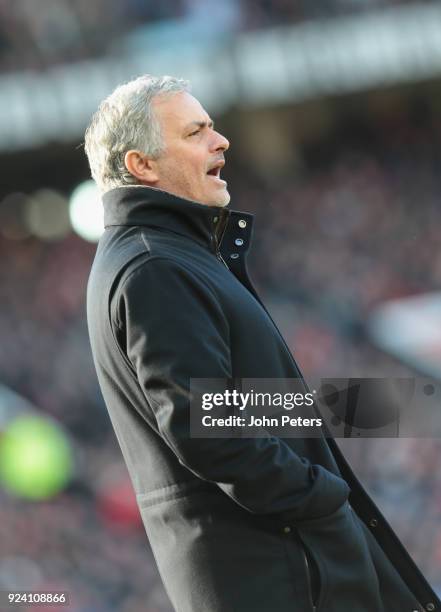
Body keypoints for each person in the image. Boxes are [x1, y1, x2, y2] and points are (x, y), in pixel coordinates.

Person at [85, 75, 439, 612]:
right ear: (142, 165)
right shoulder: (154, 267)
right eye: (196, 131)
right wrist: (322, 496)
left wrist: (388, 407)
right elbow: (207, 424)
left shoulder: (166, 256)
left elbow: (236, 406)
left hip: (293, 567)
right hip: (286, 574)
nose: (220, 140)